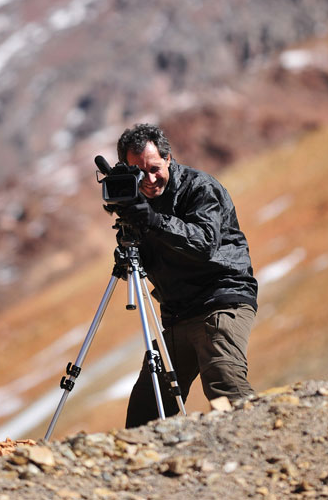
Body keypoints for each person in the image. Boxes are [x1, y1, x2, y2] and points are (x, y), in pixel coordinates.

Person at [112, 123, 257, 428]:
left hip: (221, 299)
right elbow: (150, 260)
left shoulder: (200, 188)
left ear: (167, 158)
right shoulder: (136, 202)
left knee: (223, 382)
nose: (149, 179)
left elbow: (203, 243)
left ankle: (260, 448)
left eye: (154, 168)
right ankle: (143, 466)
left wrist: (153, 221)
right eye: (139, 172)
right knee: (147, 406)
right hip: (178, 314)